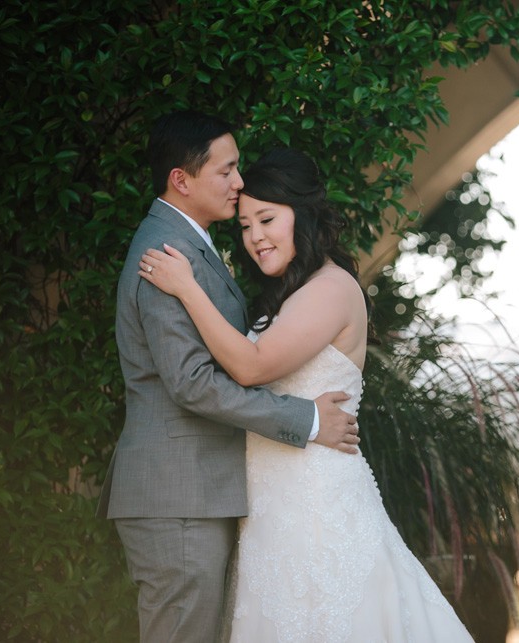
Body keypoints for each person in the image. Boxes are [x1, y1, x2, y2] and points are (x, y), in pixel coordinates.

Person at [137, 147, 474, 642]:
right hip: (274, 511)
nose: (255, 237)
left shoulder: (331, 288)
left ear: (305, 212)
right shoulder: (290, 296)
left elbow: (250, 367)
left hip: (317, 510)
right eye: (246, 225)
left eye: (267, 219)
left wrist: (188, 288)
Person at [97, 111, 360, 643]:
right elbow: (192, 381)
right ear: (182, 179)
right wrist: (305, 418)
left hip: (200, 495)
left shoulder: (188, 246)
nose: (239, 185)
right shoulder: (164, 253)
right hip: (179, 500)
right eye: (227, 170)